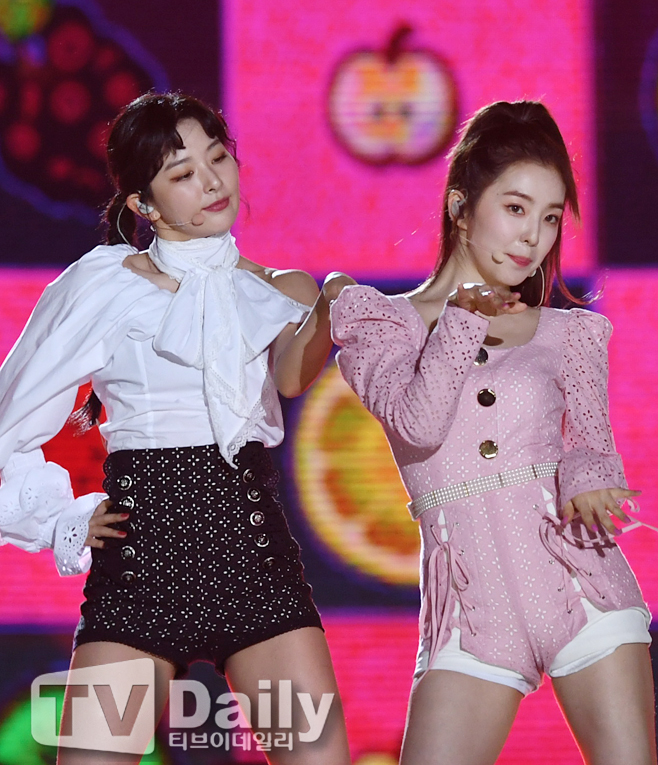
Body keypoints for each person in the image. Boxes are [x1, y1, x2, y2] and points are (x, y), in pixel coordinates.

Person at [0, 92, 353, 764]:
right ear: (144, 203)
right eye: (184, 172)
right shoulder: (104, 285)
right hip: (142, 566)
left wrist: (330, 307)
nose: (213, 181)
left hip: (253, 559)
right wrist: (58, 519)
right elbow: (9, 414)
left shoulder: (283, 290)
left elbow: (289, 376)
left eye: (218, 158)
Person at [330, 100, 655, 765]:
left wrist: (589, 479)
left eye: (550, 217)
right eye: (515, 208)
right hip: (470, 614)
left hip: (583, 583)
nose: (532, 236)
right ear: (460, 206)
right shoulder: (383, 324)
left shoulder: (569, 332)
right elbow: (418, 424)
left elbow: (592, 442)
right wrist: (462, 316)